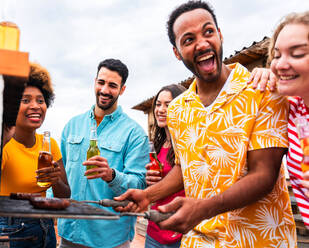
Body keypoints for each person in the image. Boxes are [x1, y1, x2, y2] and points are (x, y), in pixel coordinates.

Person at [115, 1, 296, 247]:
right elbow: (185, 168)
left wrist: (202, 209)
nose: (202, 43)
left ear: (220, 35)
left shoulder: (261, 90)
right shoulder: (178, 110)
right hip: (198, 241)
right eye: (188, 40)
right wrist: (148, 196)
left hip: (259, 240)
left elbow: (264, 174)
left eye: (208, 32)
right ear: (177, 52)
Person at [50, 58, 148, 248]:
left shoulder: (135, 134)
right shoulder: (72, 126)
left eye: (112, 85)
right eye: (101, 83)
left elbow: (138, 186)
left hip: (110, 239)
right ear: (95, 82)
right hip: (69, 234)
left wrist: (111, 175)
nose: (104, 90)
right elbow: (60, 177)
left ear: (122, 90)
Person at [0, 62, 70, 248]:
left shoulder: (49, 145)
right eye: (25, 100)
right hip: (10, 229)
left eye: (40, 100)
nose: (35, 106)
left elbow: (65, 195)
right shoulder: (4, 145)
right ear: (12, 106)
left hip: (44, 226)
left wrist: (55, 181)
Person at [252, 11, 309, 229]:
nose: (281, 64)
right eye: (277, 55)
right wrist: (266, 74)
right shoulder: (294, 108)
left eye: (297, 54)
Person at [145, 84, 186, 248]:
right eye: (158, 104)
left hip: (181, 231)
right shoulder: (157, 144)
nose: (160, 109)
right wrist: (148, 179)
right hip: (154, 230)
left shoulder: (188, 143)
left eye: (168, 105)